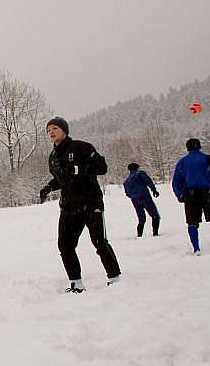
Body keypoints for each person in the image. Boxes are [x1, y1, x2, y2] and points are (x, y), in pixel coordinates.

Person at [39, 117, 121, 293]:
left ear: (64, 130)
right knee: (65, 245)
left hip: (91, 202)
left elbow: (102, 167)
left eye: (55, 128)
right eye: (48, 130)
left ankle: (114, 277)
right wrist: (48, 188)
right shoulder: (53, 156)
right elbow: (61, 178)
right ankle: (76, 283)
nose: (51, 132)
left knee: (99, 241)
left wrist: (78, 169)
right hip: (69, 206)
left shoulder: (80, 147)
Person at [171, 138, 210, 255]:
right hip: (207, 193)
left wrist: (179, 195)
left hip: (191, 195)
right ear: (199, 146)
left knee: (192, 222)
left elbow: (176, 181)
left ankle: (196, 248)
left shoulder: (182, 162)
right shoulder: (207, 159)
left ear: (187, 148)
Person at [122, 162, 161, 237]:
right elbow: (148, 181)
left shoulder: (126, 182)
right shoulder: (140, 173)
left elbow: (127, 193)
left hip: (135, 200)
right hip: (144, 197)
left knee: (141, 218)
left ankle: (140, 235)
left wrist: (134, 195)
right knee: (155, 215)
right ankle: (155, 233)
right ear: (137, 168)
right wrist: (154, 190)